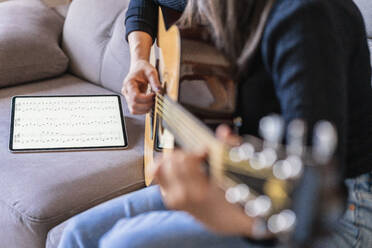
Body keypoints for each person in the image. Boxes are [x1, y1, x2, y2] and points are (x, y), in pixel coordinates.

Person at [58, 0, 372, 247]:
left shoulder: (307, 17)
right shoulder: (226, 9)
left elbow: (311, 195)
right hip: (247, 176)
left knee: (122, 243)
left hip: (335, 212)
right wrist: (141, 61)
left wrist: (223, 212)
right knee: (76, 235)